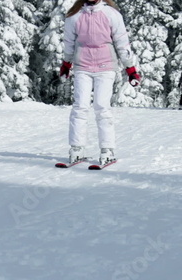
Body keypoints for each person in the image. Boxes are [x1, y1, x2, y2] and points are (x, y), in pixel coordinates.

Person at [59, 0, 140, 165]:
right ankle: (76, 150)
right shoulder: (74, 16)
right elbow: (69, 43)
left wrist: (130, 69)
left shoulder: (111, 14)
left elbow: (122, 43)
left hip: (106, 66)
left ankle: (107, 150)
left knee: (102, 107)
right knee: (79, 107)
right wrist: (66, 63)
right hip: (82, 66)